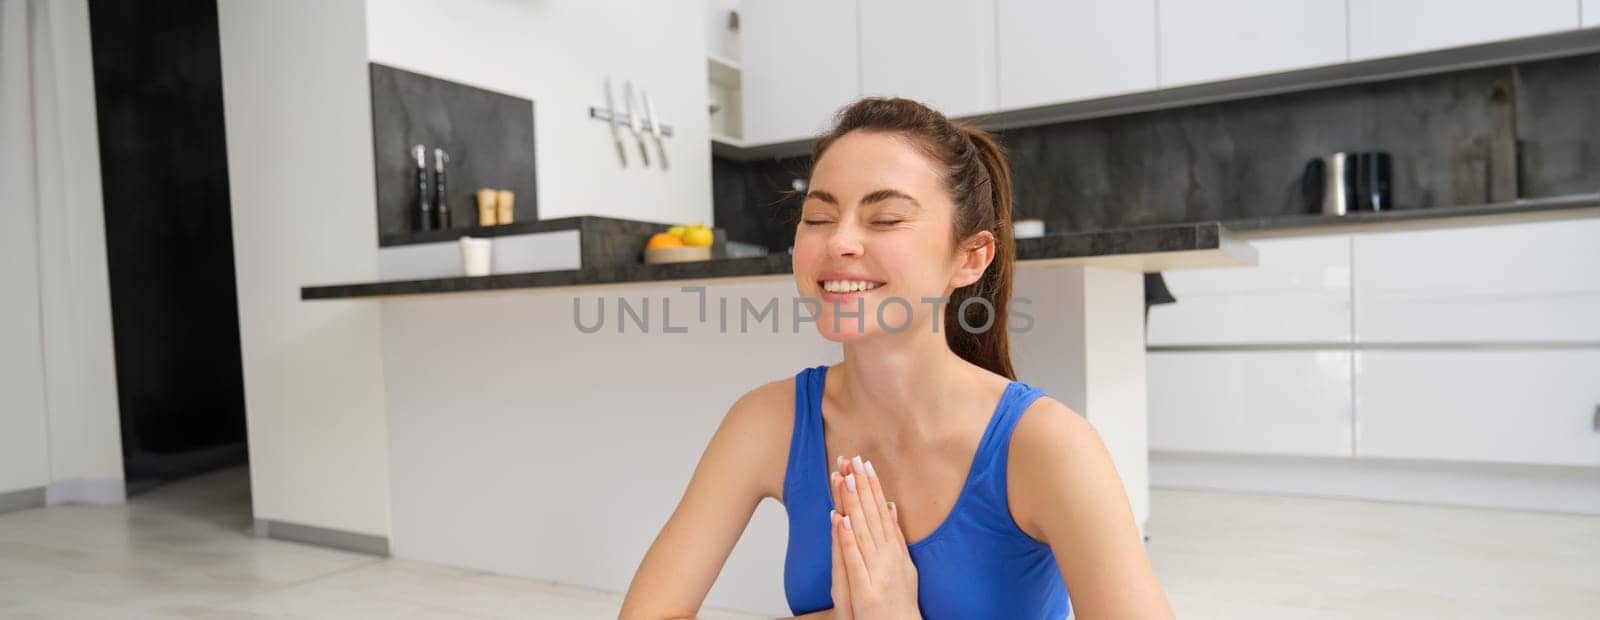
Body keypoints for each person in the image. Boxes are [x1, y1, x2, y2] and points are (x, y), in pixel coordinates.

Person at [620, 97, 1173, 619]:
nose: (840, 242)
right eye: (817, 217)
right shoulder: (767, 421)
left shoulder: (1047, 446)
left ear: (971, 257)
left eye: (885, 219)